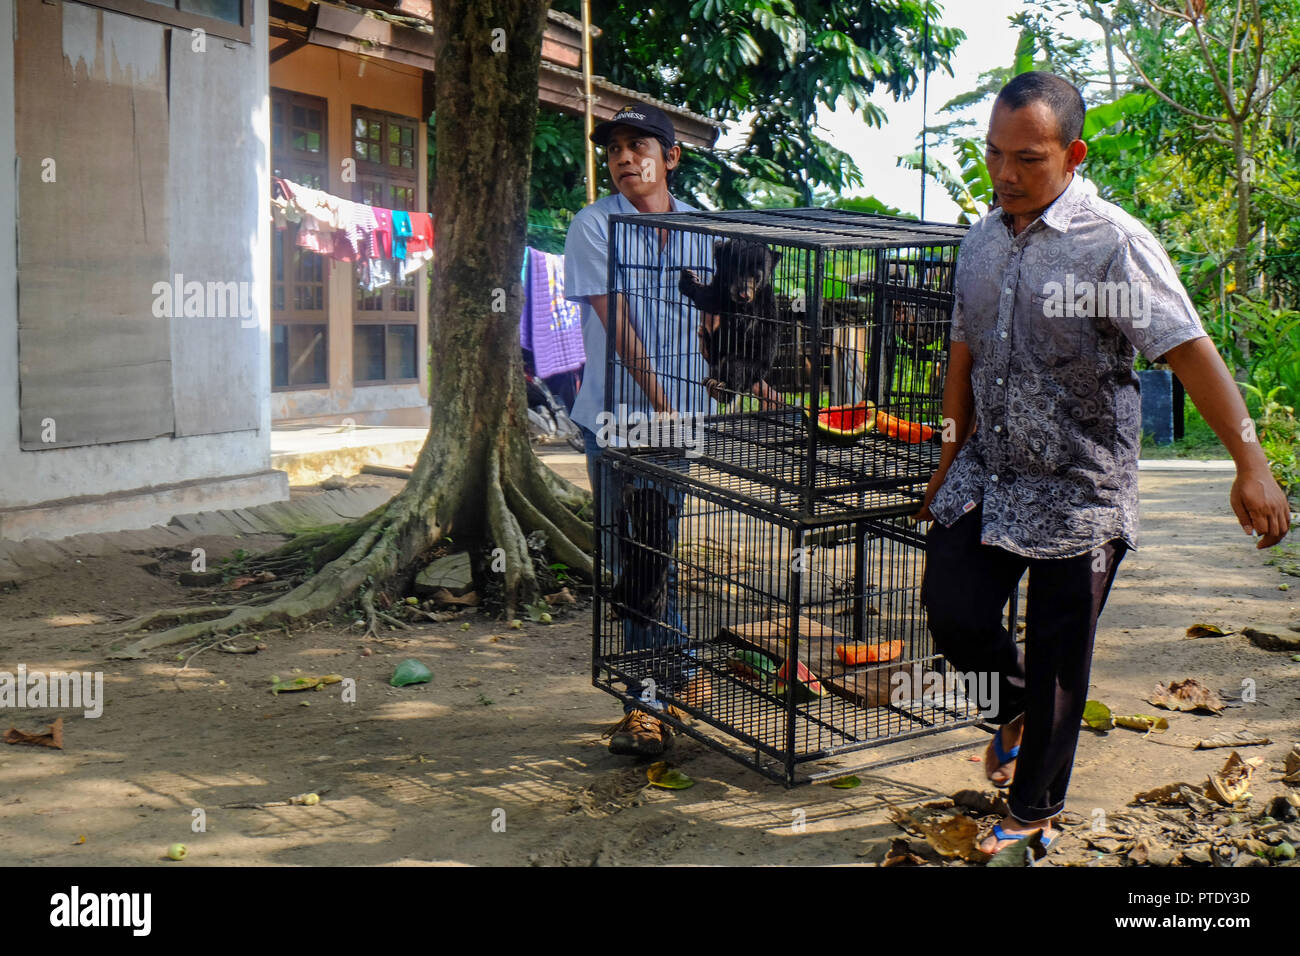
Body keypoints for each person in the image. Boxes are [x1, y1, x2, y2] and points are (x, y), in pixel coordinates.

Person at [915, 72, 1292, 855]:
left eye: (1028, 159)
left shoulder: (1113, 243)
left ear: (1073, 154)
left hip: (1082, 489)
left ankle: (1032, 810)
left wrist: (1249, 464)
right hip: (994, 469)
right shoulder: (982, 239)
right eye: (994, 156)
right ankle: (1011, 708)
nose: (1006, 175)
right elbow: (964, 347)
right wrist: (950, 454)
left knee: (1060, 658)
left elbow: (1190, 349)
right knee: (952, 610)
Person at [563, 103, 714, 757]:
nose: (624, 157)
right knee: (630, 559)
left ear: (670, 157)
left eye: (638, 145)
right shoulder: (594, 226)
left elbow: (716, 323)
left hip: (680, 421)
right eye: (614, 148)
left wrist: (739, 377)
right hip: (620, 417)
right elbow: (617, 324)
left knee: (651, 555)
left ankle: (661, 684)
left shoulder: (705, 229)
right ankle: (658, 690)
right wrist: (661, 405)